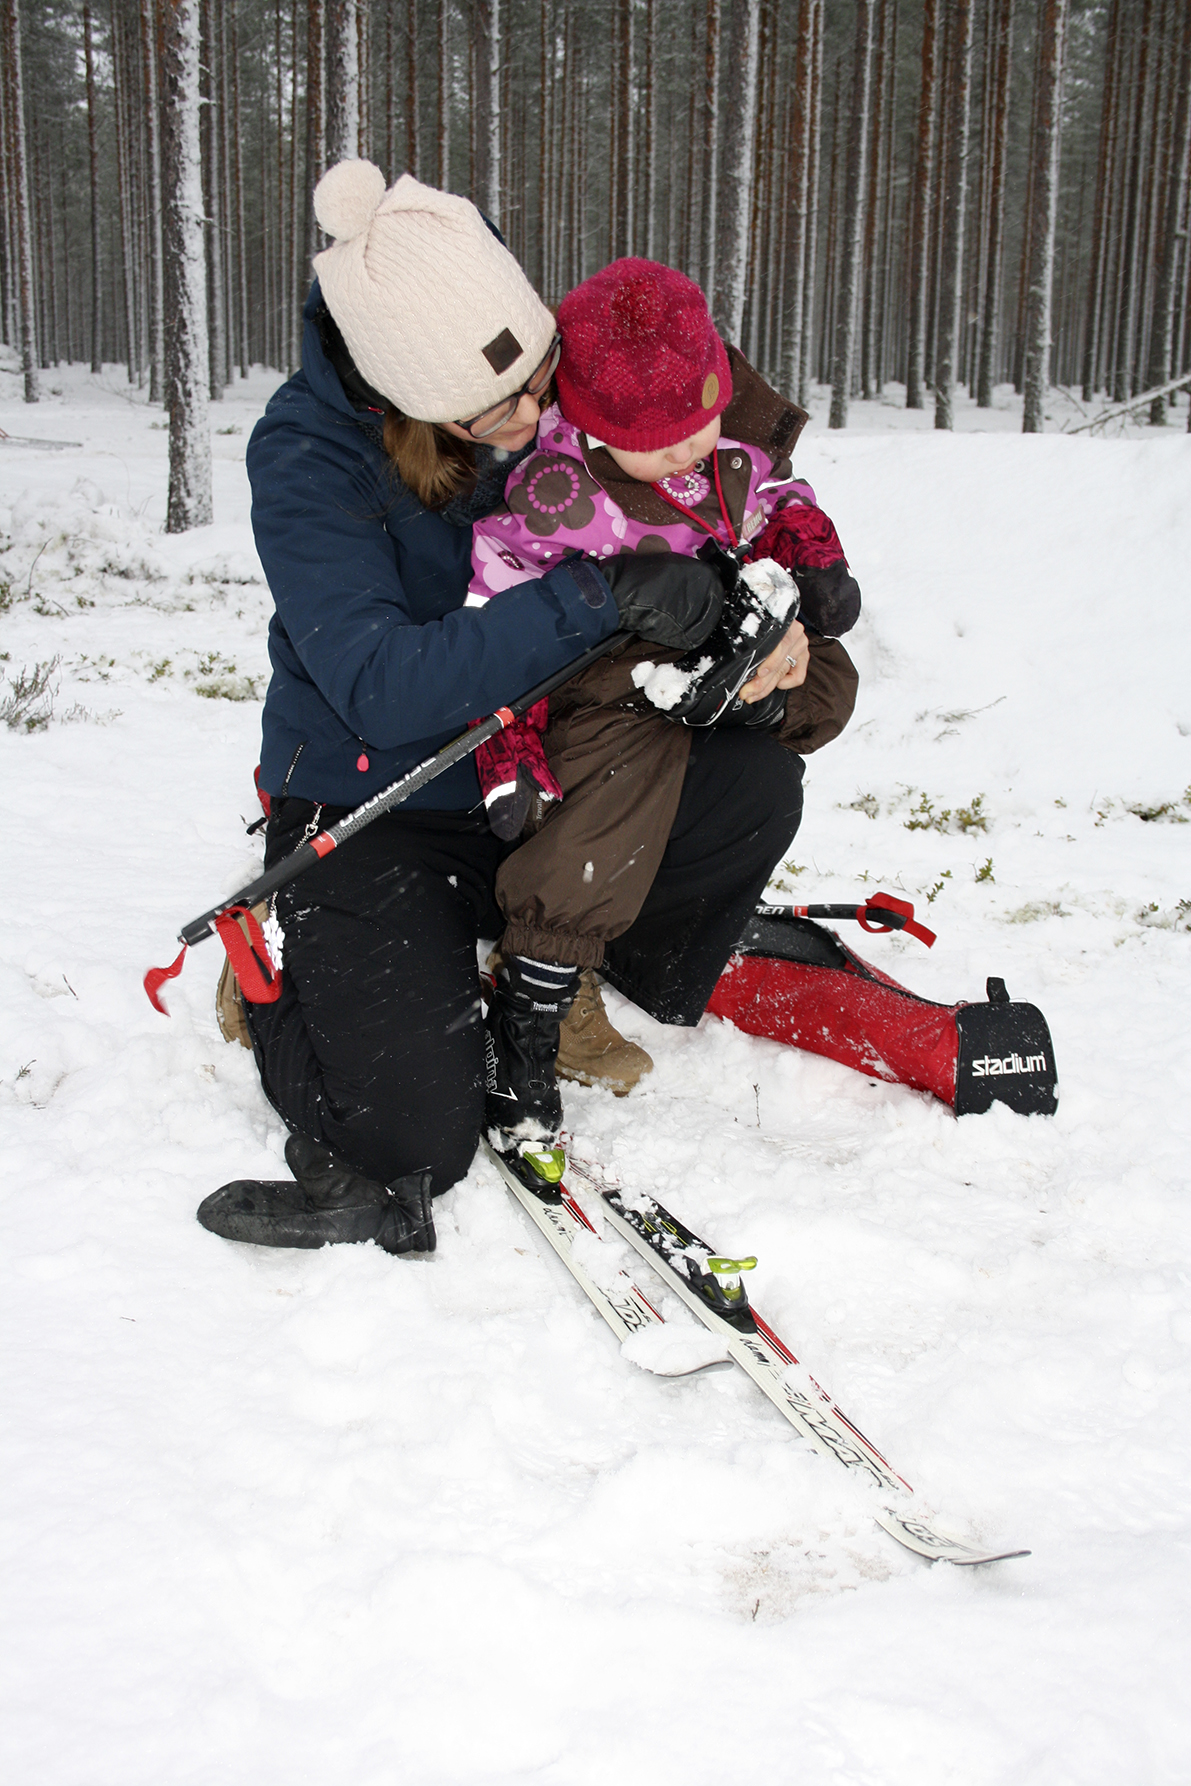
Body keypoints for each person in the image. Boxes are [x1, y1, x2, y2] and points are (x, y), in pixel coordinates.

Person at [195, 162, 819, 1260]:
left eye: (545, 380)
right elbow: (381, 683)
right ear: (406, 400)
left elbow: (711, 423)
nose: (539, 417)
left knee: (755, 786)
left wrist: (775, 608)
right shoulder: (305, 455)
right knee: (413, 1143)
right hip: (377, 791)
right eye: (502, 410)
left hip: (546, 757)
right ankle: (278, 979)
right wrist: (596, 596)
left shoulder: (515, 341)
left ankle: (568, 966)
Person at [470, 259, 861, 1156]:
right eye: (658, 443)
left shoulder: (729, 443)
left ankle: (727, 697)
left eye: (700, 425)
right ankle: (529, 1007)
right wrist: (510, 744)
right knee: (630, 754)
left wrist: (809, 561)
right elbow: (492, 618)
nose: (688, 452)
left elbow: (772, 497)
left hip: (717, 640)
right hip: (598, 677)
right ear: (596, 428)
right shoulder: (551, 499)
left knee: (828, 684)